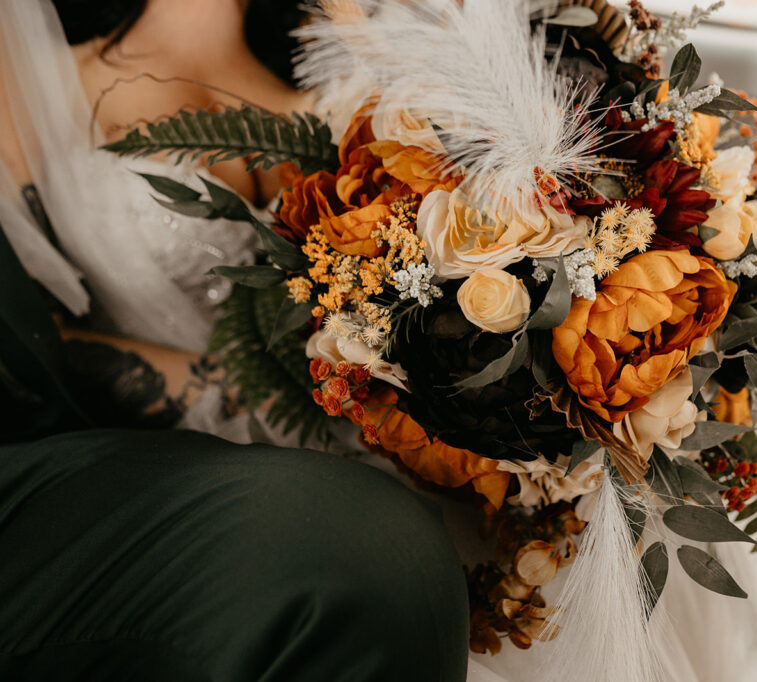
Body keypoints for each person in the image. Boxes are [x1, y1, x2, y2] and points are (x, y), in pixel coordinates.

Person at [0, 1, 470, 679]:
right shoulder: (35, 75)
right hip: (171, 489)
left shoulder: (360, 97)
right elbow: (33, 346)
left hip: (358, 478)